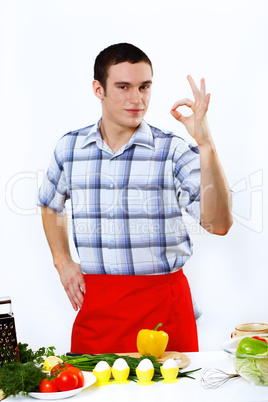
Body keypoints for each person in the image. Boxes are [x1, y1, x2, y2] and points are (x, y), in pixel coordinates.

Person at [38, 43, 232, 354]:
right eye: (123, 87)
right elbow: (50, 203)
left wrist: (205, 144)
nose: (136, 99)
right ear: (98, 89)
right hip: (98, 308)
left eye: (144, 86)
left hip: (163, 312)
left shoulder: (173, 151)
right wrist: (62, 261)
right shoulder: (70, 148)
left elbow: (219, 224)